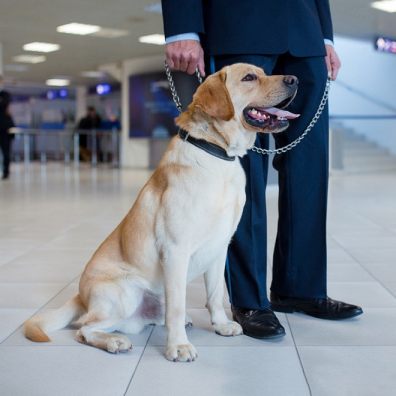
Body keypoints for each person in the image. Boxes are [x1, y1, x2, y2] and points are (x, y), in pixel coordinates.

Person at [161, 0, 363, 339]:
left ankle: (301, 288)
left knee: (309, 170)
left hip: (305, 30)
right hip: (237, 25)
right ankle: (249, 300)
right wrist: (183, 26)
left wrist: (325, 36)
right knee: (245, 174)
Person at [0, 90, 15, 180]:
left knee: (6, 153)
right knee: (6, 153)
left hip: (5, 133)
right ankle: (6, 172)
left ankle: (6, 172)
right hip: (5, 133)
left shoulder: (6, 110)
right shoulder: (5, 110)